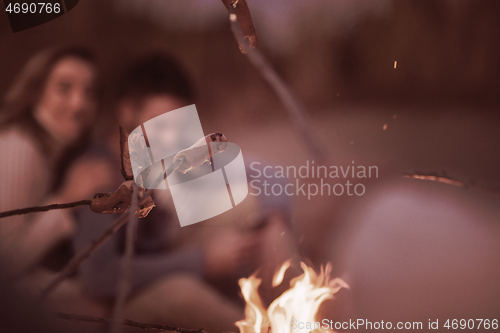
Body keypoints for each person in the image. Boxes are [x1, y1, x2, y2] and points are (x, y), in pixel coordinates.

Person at [65, 53, 294, 332]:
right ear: (126, 112)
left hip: (160, 257)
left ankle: (298, 311)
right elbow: (98, 276)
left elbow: (263, 172)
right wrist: (202, 261)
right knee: (181, 294)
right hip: (117, 300)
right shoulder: (99, 175)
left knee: (246, 206)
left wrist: (274, 220)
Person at [0, 47, 99, 274]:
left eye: (90, 92)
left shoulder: (48, 151)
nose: (79, 103)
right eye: (64, 88)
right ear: (35, 92)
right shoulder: (19, 147)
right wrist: (67, 198)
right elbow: (5, 261)